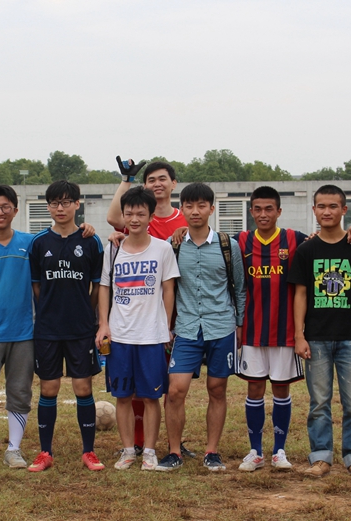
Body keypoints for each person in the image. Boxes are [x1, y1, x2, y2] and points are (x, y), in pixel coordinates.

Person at [0, 185, 96, 474]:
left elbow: (60, 240)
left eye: (6, 207)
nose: (0, 212)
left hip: (27, 333)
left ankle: (14, 450)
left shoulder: (32, 243)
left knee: (19, 393)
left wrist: (85, 228)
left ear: (15, 211)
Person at [236, 187, 351, 472]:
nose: (263, 214)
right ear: (251, 211)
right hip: (253, 330)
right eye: (258, 209)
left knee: (281, 388)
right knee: (254, 388)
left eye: (269, 209)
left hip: (286, 331)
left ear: (279, 211)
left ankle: (279, 451)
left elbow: (329, 240)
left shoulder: (295, 239)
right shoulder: (241, 241)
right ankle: (255, 451)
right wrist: (180, 232)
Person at [288, 185, 351, 480]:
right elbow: (301, 294)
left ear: (344, 210)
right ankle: (320, 457)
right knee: (319, 403)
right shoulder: (306, 250)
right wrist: (299, 335)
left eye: (333, 206)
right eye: (321, 206)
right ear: (314, 210)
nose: (327, 212)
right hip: (316, 338)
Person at [107, 158, 194, 459]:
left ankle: (169, 444)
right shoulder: (137, 217)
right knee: (133, 388)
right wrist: (126, 179)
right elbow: (114, 216)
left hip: (169, 318)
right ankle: (135, 444)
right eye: (151, 179)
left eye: (162, 178)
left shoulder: (186, 218)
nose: (157, 184)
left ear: (173, 183)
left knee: (168, 389)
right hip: (133, 321)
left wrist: (168, 324)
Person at [156, 182, 246, 472]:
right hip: (186, 328)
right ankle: (174, 451)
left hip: (221, 326)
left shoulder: (228, 245)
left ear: (211, 208)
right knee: (175, 390)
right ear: (181, 209)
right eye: (189, 206)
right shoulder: (173, 245)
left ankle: (212, 451)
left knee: (217, 389)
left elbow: (239, 288)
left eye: (201, 206)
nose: (195, 211)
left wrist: (240, 325)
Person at [95, 187, 179, 471]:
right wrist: (104, 324)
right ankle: (129, 450)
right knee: (123, 397)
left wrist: (166, 326)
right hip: (120, 335)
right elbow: (104, 287)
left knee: (152, 397)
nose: (134, 219)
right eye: (129, 213)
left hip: (151, 336)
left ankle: (150, 452)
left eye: (140, 214)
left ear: (150, 216)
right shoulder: (113, 248)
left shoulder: (163, 249)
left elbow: (168, 289)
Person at [26, 180, 105, 472]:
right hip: (47, 328)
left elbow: (97, 286)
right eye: (54, 203)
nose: (60, 208)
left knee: (83, 387)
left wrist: (86, 311)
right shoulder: (38, 243)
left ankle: (89, 452)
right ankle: (45, 452)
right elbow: (36, 286)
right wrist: (50, 308)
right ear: (48, 207)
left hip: (80, 328)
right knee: (49, 389)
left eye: (66, 202)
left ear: (77, 204)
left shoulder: (91, 241)